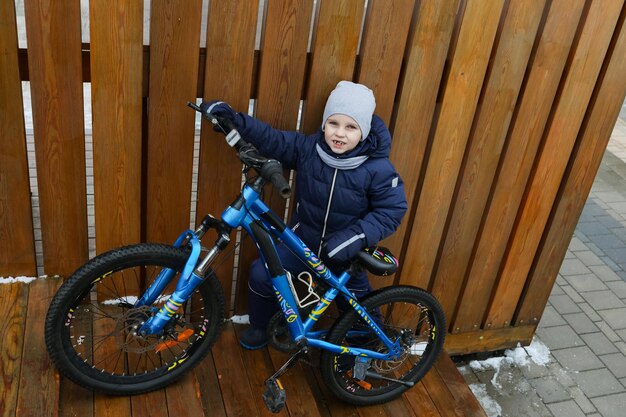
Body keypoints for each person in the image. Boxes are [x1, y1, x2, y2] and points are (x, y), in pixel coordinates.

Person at [201, 81, 408, 349]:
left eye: (351, 127)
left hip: (346, 252)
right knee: (262, 274)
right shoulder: (309, 149)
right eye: (334, 123)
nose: (340, 134)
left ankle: (372, 347)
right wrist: (234, 120)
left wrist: (352, 239)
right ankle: (261, 326)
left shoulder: (377, 168)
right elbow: (270, 138)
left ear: (364, 131)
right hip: (302, 241)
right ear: (324, 124)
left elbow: (391, 210)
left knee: (361, 309)